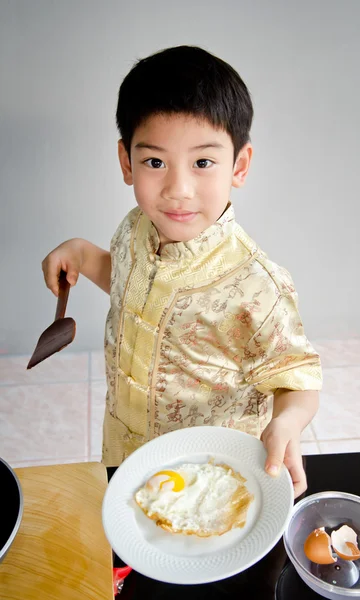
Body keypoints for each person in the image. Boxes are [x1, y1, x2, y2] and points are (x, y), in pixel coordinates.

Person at [42, 45, 322, 497]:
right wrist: (83, 254)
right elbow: (131, 284)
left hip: (205, 469)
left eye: (203, 162)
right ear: (126, 162)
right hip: (126, 447)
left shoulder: (256, 287)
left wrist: (287, 421)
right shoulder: (135, 229)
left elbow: (298, 378)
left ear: (240, 165)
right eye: (155, 162)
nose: (178, 189)